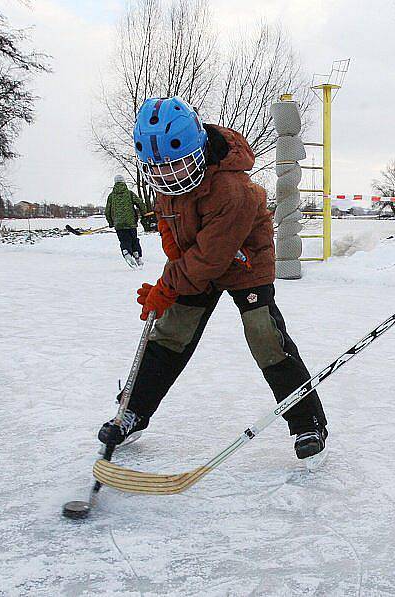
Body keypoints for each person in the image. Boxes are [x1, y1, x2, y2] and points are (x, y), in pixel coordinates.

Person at [98, 97, 328, 467]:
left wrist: (167, 286)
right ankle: (132, 411)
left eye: (178, 165)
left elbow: (210, 259)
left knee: (266, 338)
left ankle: (307, 423)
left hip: (244, 264)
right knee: (170, 333)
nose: (169, 176)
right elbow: (170, 215)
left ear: (199, 149)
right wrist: (170, 239)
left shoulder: (232, 190)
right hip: (198, 261)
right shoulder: (166, 177)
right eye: (160, 169)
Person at [105, 174, 145, 268]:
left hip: (118, 224)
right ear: (124, 182)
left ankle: (126, 252)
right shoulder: (130, 193)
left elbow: (107, 211)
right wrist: (144, 213)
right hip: (131, 222)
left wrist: (111, 222)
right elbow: (140, 203)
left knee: (124, 240)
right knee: (134, 239)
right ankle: (136, 255)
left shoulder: (111, 196)